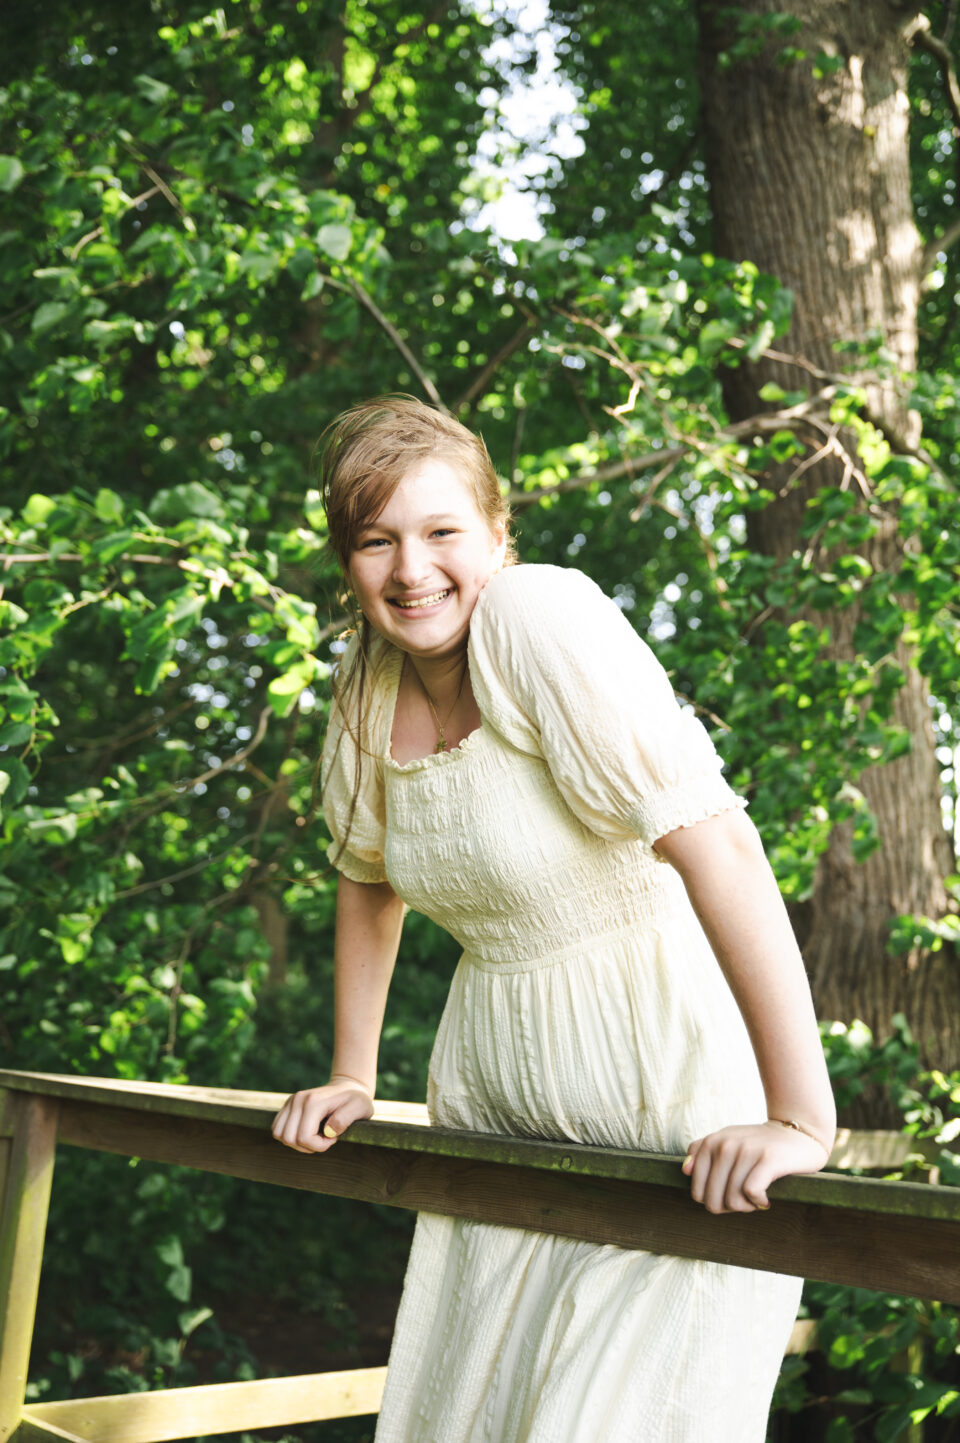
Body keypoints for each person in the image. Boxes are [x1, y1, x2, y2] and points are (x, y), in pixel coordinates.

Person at [272, 394, 837, 1442]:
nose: (411, 569)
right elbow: (367, 875)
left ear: (498, 533)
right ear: (346, 562)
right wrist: (354, 1073)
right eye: (376, 540)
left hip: (674, 1124)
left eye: (441, 531)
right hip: (495, 1138)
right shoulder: (363, 687)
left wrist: (802, 1119)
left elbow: (719, 843)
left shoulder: (537, 619)